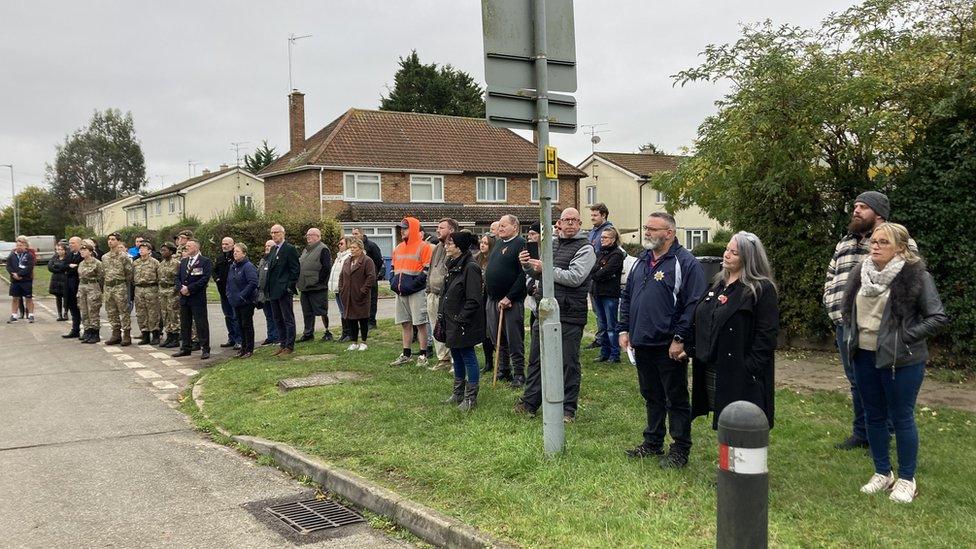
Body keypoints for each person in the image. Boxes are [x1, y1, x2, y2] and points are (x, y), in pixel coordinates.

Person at [841, 223, 947, 503]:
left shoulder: (916, 276)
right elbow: (848, 311)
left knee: (901, 417)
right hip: (863, 356)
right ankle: (882, 472)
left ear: (900, 247)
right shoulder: (859, 273)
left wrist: (902, 337)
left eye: (883, 242)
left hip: (902, 360)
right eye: (873, 241)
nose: (874, 246)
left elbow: (936, 317)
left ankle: (907, 479)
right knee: (873, 415)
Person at [824, 191, 919, 451]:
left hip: (881, 325)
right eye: (855, 206)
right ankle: (862, 433)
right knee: (857, 380)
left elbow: (911, 277)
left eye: (863, 207)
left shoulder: (898, 241)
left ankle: (885, 432)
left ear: (878, 213)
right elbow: (832, 276)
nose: (856, 211)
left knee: (884, 379)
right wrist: (833, 306)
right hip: (846, 324)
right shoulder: (845, 242)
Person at [619, 212, 707, 468]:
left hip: (668, 345)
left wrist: (680, 338)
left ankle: (680, 448)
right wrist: (624, 329)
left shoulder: (685, 262)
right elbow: (628, 296)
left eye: (652, 229)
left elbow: (693, 305)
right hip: (642, 341)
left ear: (669, 233)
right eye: (645, 228)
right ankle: (653, 442)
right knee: (651, 394)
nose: (646, 232)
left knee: (675, 398)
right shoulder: (642, 261)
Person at [690, 232, 779, 431]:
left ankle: (739, 461)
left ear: (749, 258)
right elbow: (703, 317)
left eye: (734, 253)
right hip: (716, 366)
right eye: (727, 250)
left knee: (742, 422)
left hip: (742, 372)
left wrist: (750, 367)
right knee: (725, 420)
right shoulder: (719, 283)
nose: (726, 255)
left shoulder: (761, 289)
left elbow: (767, 334)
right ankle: (726, 461)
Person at [515, 208, 595, 422]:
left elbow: (576, 277)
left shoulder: (586, 248)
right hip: (545, 310)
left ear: (579, 224)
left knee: (568, 363)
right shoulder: (552, 243)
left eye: (574, 220)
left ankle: (568, 409)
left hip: (569, 312)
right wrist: (527, 265)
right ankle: (530, 403)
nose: (569, 224)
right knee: (536, 360)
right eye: (565, 220)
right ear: (559, 223)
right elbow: (539, 273)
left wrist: (546, 268)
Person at [439, 231, 486, 411]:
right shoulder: (453, 264)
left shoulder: (470, 267)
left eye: (449, 244)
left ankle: (470, 398)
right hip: (451, 320)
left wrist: (460, 319)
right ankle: (458, 393)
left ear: (459, 247)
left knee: (468, 356)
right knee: (456, 355)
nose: (446, 246)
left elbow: (474, 299)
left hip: (463, 322)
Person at [484, 214, 527, 386]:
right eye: (499, 226)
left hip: (511, 301)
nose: (499, 228)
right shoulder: (499, 243)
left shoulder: (520, 244)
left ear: (515, 227)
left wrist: (510, 297)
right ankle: (504, 370)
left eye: (503, 225)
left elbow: (524, 274)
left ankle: (519, 374)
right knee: (498, 338)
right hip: (493, 299)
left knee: (514, 338)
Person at [389, 217, 433, 367]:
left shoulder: (423, 247)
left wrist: (414, 285)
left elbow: (426, 270)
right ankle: (406, 354)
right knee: (405, 323)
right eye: (401, 228)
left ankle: (423, 355)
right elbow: (393, 268)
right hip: (400, 291)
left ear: (413, 229)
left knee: (420, 323)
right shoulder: (398, 247)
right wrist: (392, 282)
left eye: (405, 228)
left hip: (416, 291)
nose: (402, 231)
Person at [426, 218, 458, 371]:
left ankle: (454, 360)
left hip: (446, 296)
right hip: (432, 294)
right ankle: (442, 359)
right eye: (437, 227)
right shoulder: (437, 247)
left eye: (441, 228)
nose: (437, 230)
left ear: (451, 230)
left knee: (449, 328)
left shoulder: (455, 248)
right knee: (435, 327)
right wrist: (428, 290)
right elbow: (431, 269)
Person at [590, 227, 625, 363]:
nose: (602, 239)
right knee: (602, 325)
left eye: (605, 237)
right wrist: (599, 271)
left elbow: (606, 272)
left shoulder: (616, 254)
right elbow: (593, 270)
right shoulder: (600, 253)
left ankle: (614, 355)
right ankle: (604, 353)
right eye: (602, 237)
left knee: (611, 326)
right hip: (598, 292)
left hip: (609, 294)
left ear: (613, 239)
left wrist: (598, 272)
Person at [173, 238, 212, 360]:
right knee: (185, 324)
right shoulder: (183, 262)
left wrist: (189, 288)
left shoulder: (205, 261)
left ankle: (205, 349)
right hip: (184, 298)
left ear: (196, 247)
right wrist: (181, 288)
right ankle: (185, 348)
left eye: (189, 246)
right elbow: (177, 277)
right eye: (186, 246)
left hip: (197, 298)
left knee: (201, 324)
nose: (186, 248)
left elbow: (204, 279)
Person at [264, 224, 300, 356]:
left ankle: (289, 345)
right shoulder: (273, 249)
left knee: (287, 318)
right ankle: (282, 343)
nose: (274, 235)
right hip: (273, 290)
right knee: (277, 318)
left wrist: (289, 287)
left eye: (276, 232)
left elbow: (295, 270)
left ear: (283, 233)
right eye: (272, 233)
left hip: (284, 290)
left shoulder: (289, 249)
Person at [338, 238, 376, 351]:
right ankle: (354, 342)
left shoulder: (367, 261)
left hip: (360, 295)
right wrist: (341, 289)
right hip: (347, 295)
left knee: (363, 318)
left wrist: (363, 291)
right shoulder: (347, 261)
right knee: (351, 319)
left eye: (354, 248)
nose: (352, 250)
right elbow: (342, 276)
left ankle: (363, 341)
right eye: (351, 248)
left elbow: (371, 277)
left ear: (361, 249)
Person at [298, 227, 334, 342]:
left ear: (318, 236)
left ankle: (327, 332)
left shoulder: (323, 249)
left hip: (317, 287)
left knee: (322, 311)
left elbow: (326, 267)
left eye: (311, 234)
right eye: (307, 235)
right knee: (307, 312)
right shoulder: (305, 250)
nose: (308, 237)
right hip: (305, 286)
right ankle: (308, 333)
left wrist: (319, 281)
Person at [587, 203, 615, 350]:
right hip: (592, 276)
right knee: (596, 310)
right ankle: (601, 338)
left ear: (603, 215)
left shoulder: (608, 230)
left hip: (602, 277)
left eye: (595, 215)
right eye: (591, 215)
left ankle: (608, 341)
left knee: (605, 313)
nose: (592, 218)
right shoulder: (592, 232)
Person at [227, 243, 258, 358]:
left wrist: (242, 295)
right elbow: (229, 282)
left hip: (246, 302)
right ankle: (243, 349)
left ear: (244, 253)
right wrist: (229, 294)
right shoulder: (233, 266)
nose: (235, 253)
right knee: (239, 325)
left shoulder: (248, 266)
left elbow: (253, 282)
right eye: (234, 251)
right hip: (235, 301)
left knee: (247, 325)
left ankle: (249, 349)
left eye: (237, 251)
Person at [101, 233, 133, 345]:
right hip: (108, 287)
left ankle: (127, 335)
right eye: (109, 239)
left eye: (113, 239)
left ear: (118, 242)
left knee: (124, 311)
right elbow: (103, 273)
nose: (110, 241)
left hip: (120, 286)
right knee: (111, 311)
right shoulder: (104, 257)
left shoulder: (124, 256)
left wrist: (122, 283)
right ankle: (116, 334)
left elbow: (129, 273)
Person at [351, 227, 384, 328]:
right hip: (359, 279)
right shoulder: (353, 247)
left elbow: (378, 261)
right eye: (353, 234)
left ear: (362, 234)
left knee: (371, 300)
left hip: (370, 278)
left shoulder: (371, 246)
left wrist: (373, 273)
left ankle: (372, 322)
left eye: (356, 234)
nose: (354, 236)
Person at [212, 236, 241, 350]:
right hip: (223, 292)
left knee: (235, 317)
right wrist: (217, 279)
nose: (224, 246)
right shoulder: (220, 258)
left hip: (233, 292)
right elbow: (214, 270)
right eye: (223, 244)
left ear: (233, 245)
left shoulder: (235, 257)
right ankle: (232, 338)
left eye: (227, 244)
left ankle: (239, 340)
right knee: (228, 316)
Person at [475, 233, 496, 373]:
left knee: (492, 330)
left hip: (491, 296)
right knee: (484, 332)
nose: (482, 245)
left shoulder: (494, 260)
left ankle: (501, 360)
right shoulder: (477, 259)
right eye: (481, 242)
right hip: (480, 298)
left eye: (486, 243)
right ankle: (489, 362)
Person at [132, 242, 162, 345]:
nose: (141, 250)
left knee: (153, 313)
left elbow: (160, 277)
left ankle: (156, 335)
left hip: (151, 289)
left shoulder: (155, 262)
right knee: (141, 313)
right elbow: (132, 277)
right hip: (139, 290)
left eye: (144, 248)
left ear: (149, 251)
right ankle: (145, 335)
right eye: (140, 248)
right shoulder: (135, 263)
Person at [77, 242, 104, 343]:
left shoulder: (97, 263)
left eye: (85, 250)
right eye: (81, 250)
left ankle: (95, 333)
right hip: (82, 287)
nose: (82, 252)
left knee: (93, 311)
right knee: (84, 311)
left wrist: (98, 289)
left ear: (91, 252)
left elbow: (101, 277)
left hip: (93, 287)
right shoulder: (81, 263)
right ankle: (87, 331)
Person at [157, 243, 181, 348]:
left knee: (173, 314)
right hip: (163, 291)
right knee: (165, 314)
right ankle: (169, 336)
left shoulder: (176, 263)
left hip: (172, 290)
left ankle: (175, 337)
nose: (163, 252)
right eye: (162, 250)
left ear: (171, 251)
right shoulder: (161, 264)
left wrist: (176, 290)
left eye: (165, 250)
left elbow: (179, 278)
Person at [6, 236, 36, 323]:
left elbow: (29, 267)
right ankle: (14, 315)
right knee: (15, 298)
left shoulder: (29, 255)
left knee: (28, 298)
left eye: (22, 245)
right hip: (15, 280)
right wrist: (13, 274)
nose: (19, 246)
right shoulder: (12, 255)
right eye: (18, 245)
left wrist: (19, 274)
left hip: (26, 280)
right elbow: (8, 266)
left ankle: (31, 315)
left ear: (26, 246)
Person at [256, 240, 279, 346]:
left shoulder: (276, 259)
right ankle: (271, 336)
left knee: (276, 316)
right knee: (268, 316)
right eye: (266, 245)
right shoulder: (263, 260)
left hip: (273, 292)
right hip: (264, 294)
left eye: (269, 246)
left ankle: (278, 337)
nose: (266, 247)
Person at [330, 236, 352, 341]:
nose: (339, 245)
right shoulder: (338, 257)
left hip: (344, 288)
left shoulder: (348, 257)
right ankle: (344, 332)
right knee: (342, 311)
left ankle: (349, 333)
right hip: (337, 288)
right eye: (339, 243)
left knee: (346, 311)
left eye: (341, 243)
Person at [61, 237, 84, 338]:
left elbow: (80, 268)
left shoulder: (82, 254)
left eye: (73, 243)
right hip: (68, 285)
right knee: (72, 308)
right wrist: (70, 266)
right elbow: (62, 266)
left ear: (79, 244)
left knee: (83, 309)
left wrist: (71, 267)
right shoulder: (69, 255)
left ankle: (87, 330)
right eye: (69, 243)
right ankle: (75, 330)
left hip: (78, 285)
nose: (70, 245)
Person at [48, 242, 70, 321]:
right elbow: (50, 267)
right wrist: (60, 268)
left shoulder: (68, 258)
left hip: (65, 279)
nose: (59, 251)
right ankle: (59, 314)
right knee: (58, 297)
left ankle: (66, 313)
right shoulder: (54, 257)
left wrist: (58, 266)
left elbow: (66, 267)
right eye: (57, 249)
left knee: (66, 297)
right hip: (56, 279)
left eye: (61, 249)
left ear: (65, 250)